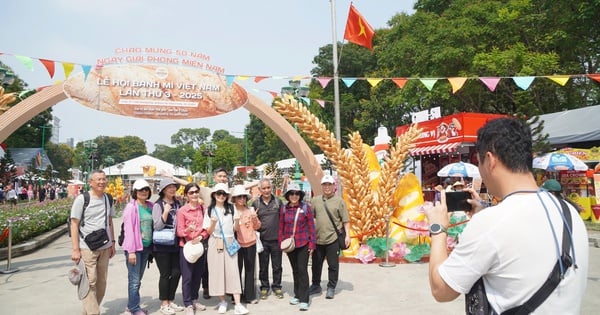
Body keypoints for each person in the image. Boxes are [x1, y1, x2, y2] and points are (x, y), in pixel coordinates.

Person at [424, 118, 589, 313]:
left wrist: (438, 229)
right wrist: (483, 216)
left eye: (479, 163)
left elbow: (441, 290)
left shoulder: (491, 223)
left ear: (490, 160)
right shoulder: (569, 212)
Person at [69, 170, 116, 315]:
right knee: (90, 281)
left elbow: (109, 221)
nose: (102, 182)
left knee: (101, 282)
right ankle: (94, 312)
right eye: (98, 179)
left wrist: (113, 243)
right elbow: (74, 224)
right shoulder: (82, 199)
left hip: (105, 246)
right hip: (87, 247)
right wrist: (75, 249)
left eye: (104, 179)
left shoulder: (108, 198)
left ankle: (88, 311)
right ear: (90, 182)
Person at [203, 183, 249, 315]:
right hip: (215, 241)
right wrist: (212, 223)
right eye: (219, 193)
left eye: (224, 194)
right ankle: (222, 301)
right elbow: (209, 231)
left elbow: (236, 229)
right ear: (214, 195)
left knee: (233, 271)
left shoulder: (232, 208)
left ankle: (238, 303)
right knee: (217, 271)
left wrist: (236, 221)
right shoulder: (209, 210)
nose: (221, 196)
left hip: (230, 240)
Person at [309, 175, 350, 299]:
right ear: (322, 186)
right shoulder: (315, 200)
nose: (327, 187)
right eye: (324, 185)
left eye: (329, 185)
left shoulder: (339, 201)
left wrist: (348, 235)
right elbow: (311, 218)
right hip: (318, 238)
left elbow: (346, 220)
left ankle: (331, 287)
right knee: (316, 264)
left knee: (333, 265)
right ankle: (316, 285)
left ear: (334, 186)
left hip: (333, 239)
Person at [279, 183, 316, 311]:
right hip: (290, 245)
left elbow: (311, 226)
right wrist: (281, 243)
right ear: (288, 195)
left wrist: (312, 243)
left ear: (299, 195)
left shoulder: (306, 208)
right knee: (295, 270)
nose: (294, 196)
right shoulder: (284, 209)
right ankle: (297, 294)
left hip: (303, 243)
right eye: (291, 193)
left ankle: (304, 299)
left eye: (296, 194)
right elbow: (281, 227)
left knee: (302, 270)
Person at [152, 178, 186, 315]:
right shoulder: (158, 205)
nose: (172, 189)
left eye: (173, 187)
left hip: (175, 243)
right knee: (165, 274)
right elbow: (157, 226)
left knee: (177, 272)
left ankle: (171, 300)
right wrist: (165, 211)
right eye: (169, 187)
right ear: (163, 190)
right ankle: (164, 302)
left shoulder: (178, 203)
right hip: (161, 245)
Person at [122, 179, 154, 315]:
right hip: (134, 248)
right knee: (134, 280)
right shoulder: (131, 207)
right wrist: (131, 251)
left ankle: (132, 305)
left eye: (146, 189)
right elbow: (128, 230)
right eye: (141, 190)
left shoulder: (151, 206)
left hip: (146, 247)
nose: (144, 192)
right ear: (135, 192)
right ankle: (134, 308)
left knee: (138, 279)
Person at [176, 183, 209, 315]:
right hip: (186, 246)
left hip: (199, 246)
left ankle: (195, 299)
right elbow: (178, 232)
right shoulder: (182, 211)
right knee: (188, 276)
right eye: (191, 192)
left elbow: (206, 228)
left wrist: (201, 236)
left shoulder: (203, 208)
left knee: (197, 275)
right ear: (186, 195)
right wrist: (187, 231)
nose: (194, 194)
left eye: (196, 192)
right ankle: (187, 303)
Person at [251, 178, 284, 300]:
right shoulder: (256, 204)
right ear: (259, 190)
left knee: (277, 266)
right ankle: (264, 287)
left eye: (268, 187)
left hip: (276, 240)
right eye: (263, 188)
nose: (266, 190)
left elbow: (284, 220)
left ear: (272, 188)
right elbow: (252, 223)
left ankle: (277, 286)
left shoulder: (278, 202)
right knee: (263, 266)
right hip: (262, 241)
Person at [231, 185, 261, 304]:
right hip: (235, 244)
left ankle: (249, 296)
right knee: (236, 270)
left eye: (244, 197)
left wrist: (254, 218)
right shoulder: (231, 211)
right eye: (239, 197)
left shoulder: (250, 210)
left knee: (250, 269)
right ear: (234, 198)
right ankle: (235, 296)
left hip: (251, 243)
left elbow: (258, 226)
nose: (242, 199)